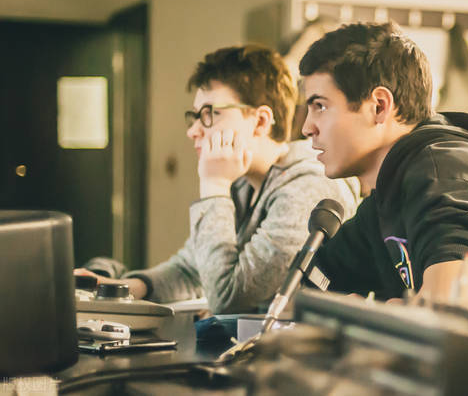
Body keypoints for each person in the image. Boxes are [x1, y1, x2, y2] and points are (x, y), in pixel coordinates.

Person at [298, 22, 468, 312]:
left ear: (379, 106)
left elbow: (448, 314)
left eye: (320, 106)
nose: (308, 127)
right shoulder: (386, 202)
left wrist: (369, 315)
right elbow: (309, 287)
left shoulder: (443, 175)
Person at [76, 45, 356, 314]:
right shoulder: (243, 183)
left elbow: (229, 298)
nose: (194, 131)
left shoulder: (309, 187)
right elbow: (191, 268)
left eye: (211, 114)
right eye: (195, 116)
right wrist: (119, 289)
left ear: (260, 121)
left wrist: (214, 187)